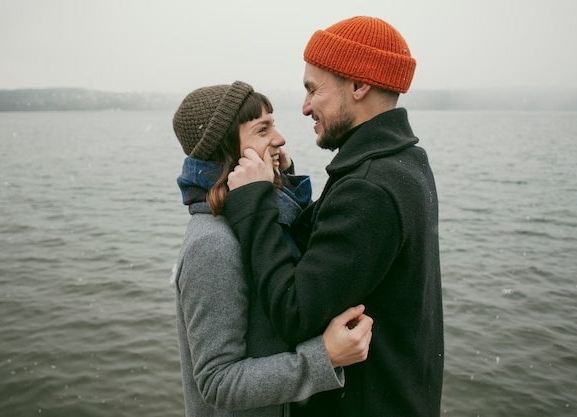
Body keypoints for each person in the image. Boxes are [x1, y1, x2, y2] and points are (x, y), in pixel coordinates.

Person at [225, 16, 444, 417]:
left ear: (359, 85)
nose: (306, 106)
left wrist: (254, 205)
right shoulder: (406, 161)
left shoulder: (370, 187)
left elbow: (296, 313)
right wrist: (283, 186)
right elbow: (341, 254)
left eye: (313, 89)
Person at [171, 81, 374, 417]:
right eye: (262, 129)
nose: (279, 139)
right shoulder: (213, 244)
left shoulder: (260, 218)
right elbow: (216, 382)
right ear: (227, 151)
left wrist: (280, 178)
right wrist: (324, 357)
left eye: (274, 125)